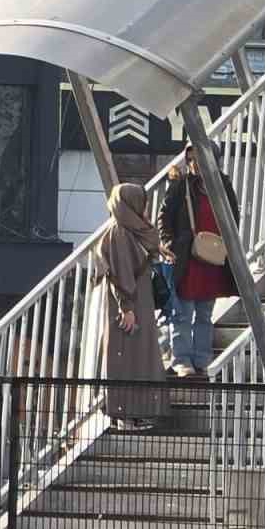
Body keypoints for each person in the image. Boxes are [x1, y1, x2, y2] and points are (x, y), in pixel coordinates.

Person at [158, 142, 241, 379]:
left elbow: (233, 217)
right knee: (183, 312)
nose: (194, 164)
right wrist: (171, 243)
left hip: (212, 257)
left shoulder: (222, 185)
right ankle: (182, 360)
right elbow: (164, 217)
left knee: (205, 313)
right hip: (186, 257)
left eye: (199, 158)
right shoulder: (180, 185)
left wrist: (228, 247)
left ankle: (201, 359)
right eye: (191, 159)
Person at [92, 183, 170, 431]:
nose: (144, 207)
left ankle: (135, 413)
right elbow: (120, 273)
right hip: (130, 306)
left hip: (139, 303)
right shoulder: (120, 233)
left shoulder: (131, 231)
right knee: (127, 360)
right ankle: (125, 415)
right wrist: (126, 308)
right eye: (141, 202)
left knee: (139, 358)